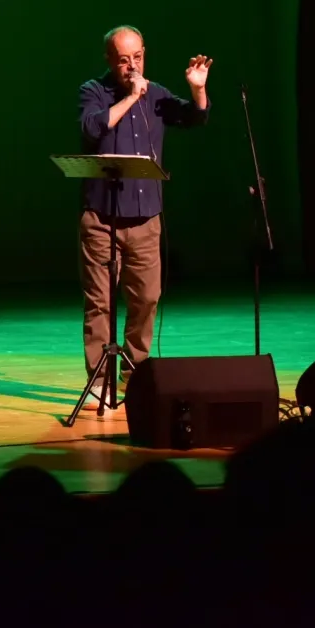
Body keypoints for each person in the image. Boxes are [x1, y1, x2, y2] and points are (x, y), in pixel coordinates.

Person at [76, 26, 211, 400]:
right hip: (102, 219)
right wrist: (132, 97)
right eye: (123, 60)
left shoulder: (157, 94)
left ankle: (133, 374)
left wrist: (198, 90)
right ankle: (99, 381)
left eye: (137, 58)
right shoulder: (93, 91)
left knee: (147, 298)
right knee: (100, 303)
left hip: (146, 218)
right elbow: (91, 127)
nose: (132, 66)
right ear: (109, 60)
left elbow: (192, 118)